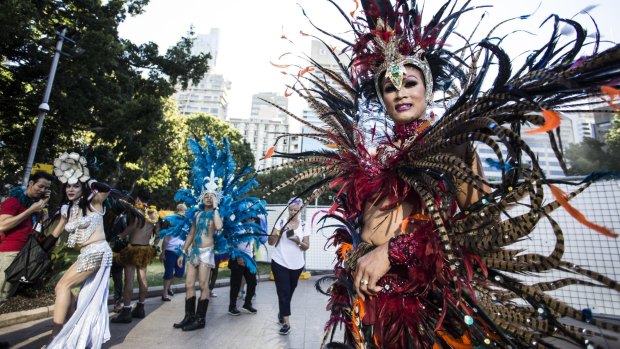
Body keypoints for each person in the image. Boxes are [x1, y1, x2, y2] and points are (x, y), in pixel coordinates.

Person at [259, 1, 620, 347]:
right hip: (364, 305)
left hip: (423, 308)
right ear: (381, 97)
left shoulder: (452, 143)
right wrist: (353, 255)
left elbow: (480, 228)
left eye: (410, 83)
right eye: (389, 86)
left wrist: (394, 251)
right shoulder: (378, 155)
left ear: (427, 89)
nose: (400, 92)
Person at [44, 152, 112, 348]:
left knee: (62, 287)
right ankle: (73, 330)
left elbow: (106, 189)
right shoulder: (67, 209)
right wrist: (39, 253)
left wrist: (88, 180)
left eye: (75, 185)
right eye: (68, 186)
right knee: (75, 295)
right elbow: (55, 234)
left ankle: (55, 337)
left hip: (97, 251)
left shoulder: (93, 203)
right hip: (87, 253)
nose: (71, 189)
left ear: (82, 187)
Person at [0, 171, 54, 302]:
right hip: (9, 252)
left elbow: (37, 230)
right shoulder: (14, 201)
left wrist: (42, 206)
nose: (42, 190)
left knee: (7, 294)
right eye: (40, 186)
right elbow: (2, 225)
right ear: (31, 183)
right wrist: (30, 211)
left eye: (46, 188)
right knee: (2, 291)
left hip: (24, 253)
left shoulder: (34, 205)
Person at [173, 191, 222, 331]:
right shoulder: (197, 214)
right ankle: (189, 317)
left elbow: (218, 227)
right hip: (194, 252)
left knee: (202, 285)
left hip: (206, 253)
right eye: (206, 196)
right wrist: (182, 252)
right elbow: (191, 234)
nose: (208, 199)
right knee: (188, 284)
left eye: (211, 197)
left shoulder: (216, 214)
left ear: (215, 199)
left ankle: (200, 319)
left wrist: (216, 207)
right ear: (202, 198)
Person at [111, 189, 159, 323]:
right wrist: (155, 245)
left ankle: (126, 312)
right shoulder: (154, 213)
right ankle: (140, 307)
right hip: (145, 249)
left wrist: (119, 237)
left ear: (138, 199)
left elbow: (132, 227)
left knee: (129, 280)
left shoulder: (135, 212)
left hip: (133, 249)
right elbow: (157, 232)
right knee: (143, 279)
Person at [267, 198, 310, 335]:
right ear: (287, 208)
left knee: (290, 291)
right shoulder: (281, 221)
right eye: (290, 209)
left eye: (295, 210)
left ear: (300, 210)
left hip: (297, 265)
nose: (293, 212)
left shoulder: (304, 224)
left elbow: (306, 247)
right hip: (280, 262)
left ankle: (282, 312)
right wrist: (277, 233)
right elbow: (271, 242)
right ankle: (286, 323)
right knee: (284, 291)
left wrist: (297, 241)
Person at [228, 219, 258, 316]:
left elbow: (251, 242)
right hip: (238, 258)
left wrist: (253, 254)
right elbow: (232, 242)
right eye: (251, 217)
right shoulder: (237, 225)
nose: (253, 219)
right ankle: (232, 306)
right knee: (235, 283)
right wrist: (238, 256)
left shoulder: (251, 227)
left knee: (253, 281)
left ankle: (247, 304)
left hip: (249, 259)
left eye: (254, 217)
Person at [160, 203, 187, 301]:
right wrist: (163, 252)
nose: (183, 212)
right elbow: (166, 239)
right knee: (168, 273)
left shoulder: (186, 223)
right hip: (170, 250)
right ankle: (164, 293)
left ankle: (168, 287)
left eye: (184, 211)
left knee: (180, 273)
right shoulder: (171, 221)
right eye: (183, 210)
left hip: (181, 251)